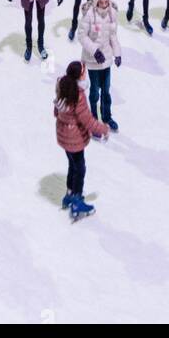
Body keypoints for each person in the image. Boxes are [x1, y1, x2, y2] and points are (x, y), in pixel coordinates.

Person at [54, 60, 109, 221]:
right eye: (83, 72)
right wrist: (103, 129)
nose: (85, 74)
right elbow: (87, 120)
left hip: (64, 136)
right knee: (80, 168)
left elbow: (56, 112)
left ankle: (69, 195)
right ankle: (77, 202)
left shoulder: (63, 87)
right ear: (80, 76)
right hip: (75, 138)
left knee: (73, 165)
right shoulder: (78, 95)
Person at [78, 0, 122, 132]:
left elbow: (113, 36)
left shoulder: (111, 14)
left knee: (106, 90)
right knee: (95, 92)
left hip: (107, 60)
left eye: (106, 1)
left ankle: (107, 116)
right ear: (96, 1)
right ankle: (93, 119)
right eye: (101, 2)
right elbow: (81, 36)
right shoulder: (89, 15)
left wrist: (117, 53)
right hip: (92, 60)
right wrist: (95, 51)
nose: (104, 4)